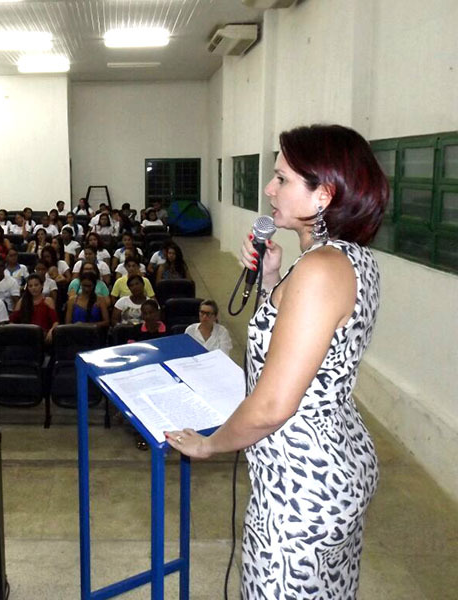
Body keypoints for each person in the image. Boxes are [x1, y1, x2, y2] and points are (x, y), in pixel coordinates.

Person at [165, 124, 388, 599]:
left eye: (282, 179)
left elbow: (273, 405)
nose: (269, 188)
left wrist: (210, 446)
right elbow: (310, 353)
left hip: (302, 486)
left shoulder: (319, 271)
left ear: (323, 195)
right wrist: (270, 279)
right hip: (333, 463)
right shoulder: (349, 259)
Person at [11, 274, 58, 342]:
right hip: (25, 336)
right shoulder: (22, 301)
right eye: (30, 286)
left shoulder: (48, 301)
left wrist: (51, 331)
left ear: (42, 286)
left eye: (36, 285)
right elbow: (12, 320)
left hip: (43, 337)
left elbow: (55, 322)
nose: (33, 288)